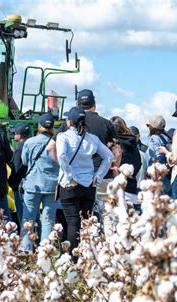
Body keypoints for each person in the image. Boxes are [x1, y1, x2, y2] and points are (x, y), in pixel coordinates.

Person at [48, 89, 119, 238]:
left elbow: (53, 149)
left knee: (73, 221)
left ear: (77, 104)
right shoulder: (106, 124)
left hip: (72, 181)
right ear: (95, 103)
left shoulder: (65, 131)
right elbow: (115, 153)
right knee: (101, 217)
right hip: (97, 179)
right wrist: (105, 173)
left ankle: (74, 255)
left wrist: (65, 170)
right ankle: (105, 247)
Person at [56, 107, 114, 253]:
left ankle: (73, 257)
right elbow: (109, 157)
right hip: (89, 184)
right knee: (86, 221)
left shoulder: (64, 137)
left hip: (69, 184)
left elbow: (62, 156)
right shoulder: (92, 138)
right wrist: (98, 176)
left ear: (69, 121)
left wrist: (70, 176)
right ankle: (87, 254)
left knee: (72, 222)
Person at [20, 114, 59, 251]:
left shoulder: (30, 142)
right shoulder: (57, 142)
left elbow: (24, 161)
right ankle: (45, 251)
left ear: (40, 126)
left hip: (33, 184)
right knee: (48, 220)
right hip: (52, 185)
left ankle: (26, 249)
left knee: (28, 219)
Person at [110, 116, 142, 206]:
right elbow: (138, 163)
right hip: (131, 184)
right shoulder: (132, 142)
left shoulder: (113, 144)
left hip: (115, 184)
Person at [7, 123, 31, 229]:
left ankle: (25, 241)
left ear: (20, 135)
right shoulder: (31, 145)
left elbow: (16, 169)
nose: (13, 135)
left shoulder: (19, 149)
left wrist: (11, 182)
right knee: (33, 217)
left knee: (23, 218)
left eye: (15, 133)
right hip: (30, 184)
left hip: (20, 186)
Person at [145, 115, 172, 194]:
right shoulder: (167, 138)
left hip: (158, 177)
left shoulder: (154, 138)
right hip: (168, 176)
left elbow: (156, 157)